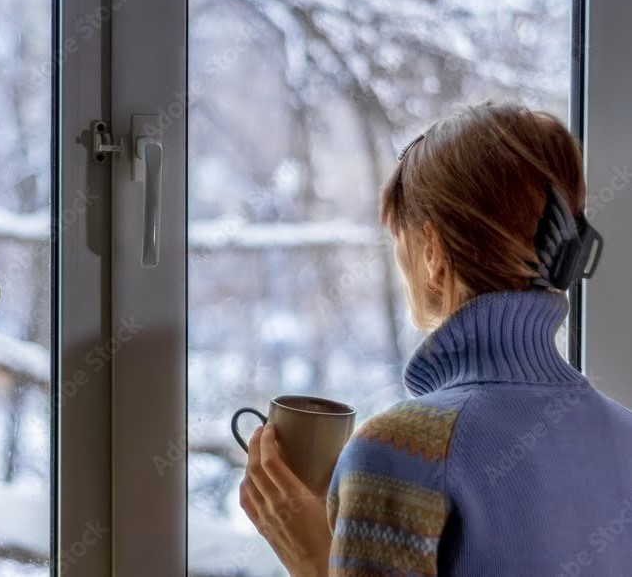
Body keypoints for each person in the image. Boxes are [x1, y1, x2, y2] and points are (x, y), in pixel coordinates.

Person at [238, 101, 632, 576]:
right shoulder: (624, 435)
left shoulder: (401, 451)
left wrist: (309, 555)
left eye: (400, 243)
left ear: (433, 252)